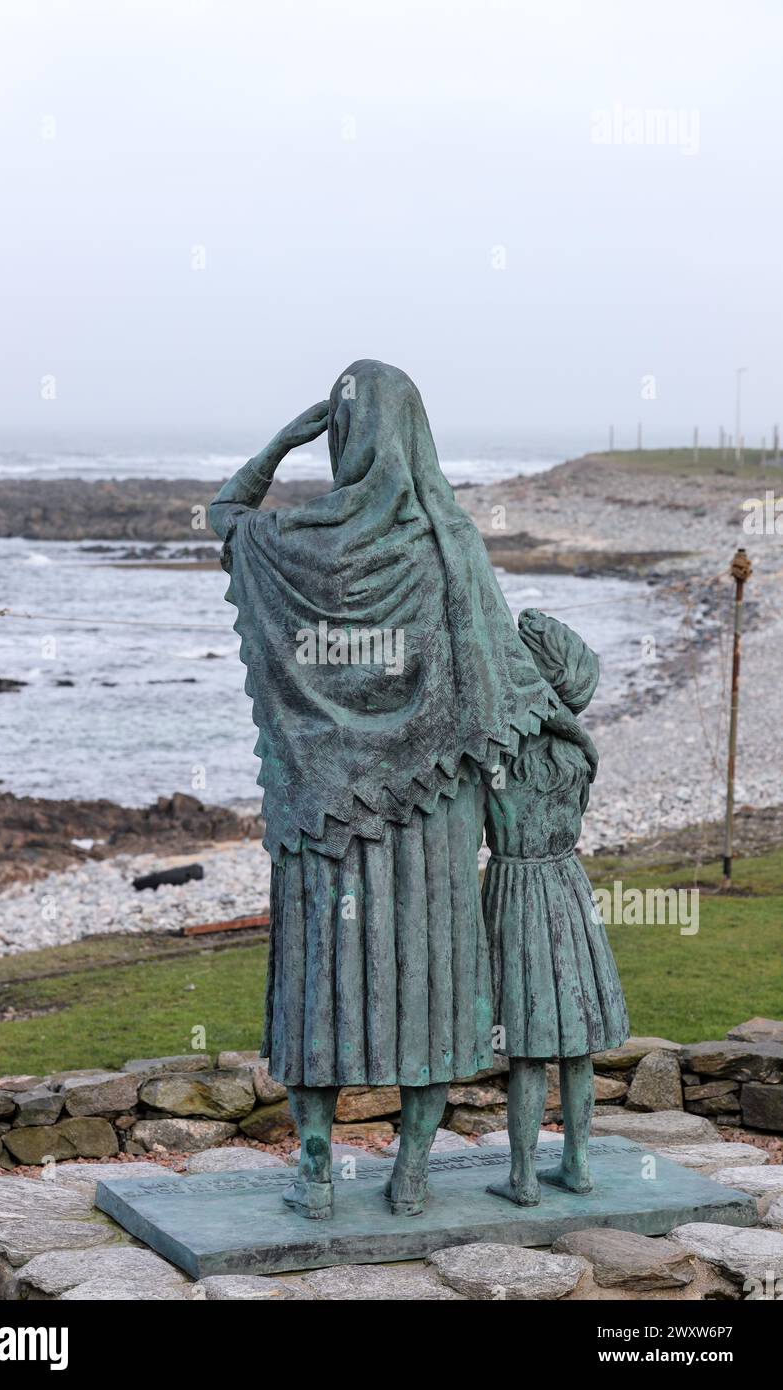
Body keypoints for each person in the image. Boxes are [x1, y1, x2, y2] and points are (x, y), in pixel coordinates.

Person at [209, 359, 560, 1218]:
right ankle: (410, 1173)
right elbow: (502, 689)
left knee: (318, 991)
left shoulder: (294, 543)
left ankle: (319, 1172)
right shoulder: (449, 543)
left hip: (325, 817)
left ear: (338, 439)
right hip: (435, 814)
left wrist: (282, 444)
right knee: (436, 988)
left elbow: (224, 516)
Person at [481, 608, 629, 1206]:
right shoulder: (577, 758)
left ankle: (521, 1176)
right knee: (576, 1042)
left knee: (526, 1045)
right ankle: (579, 1164)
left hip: (516, 889)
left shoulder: (498, 754)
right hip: (566, 887)